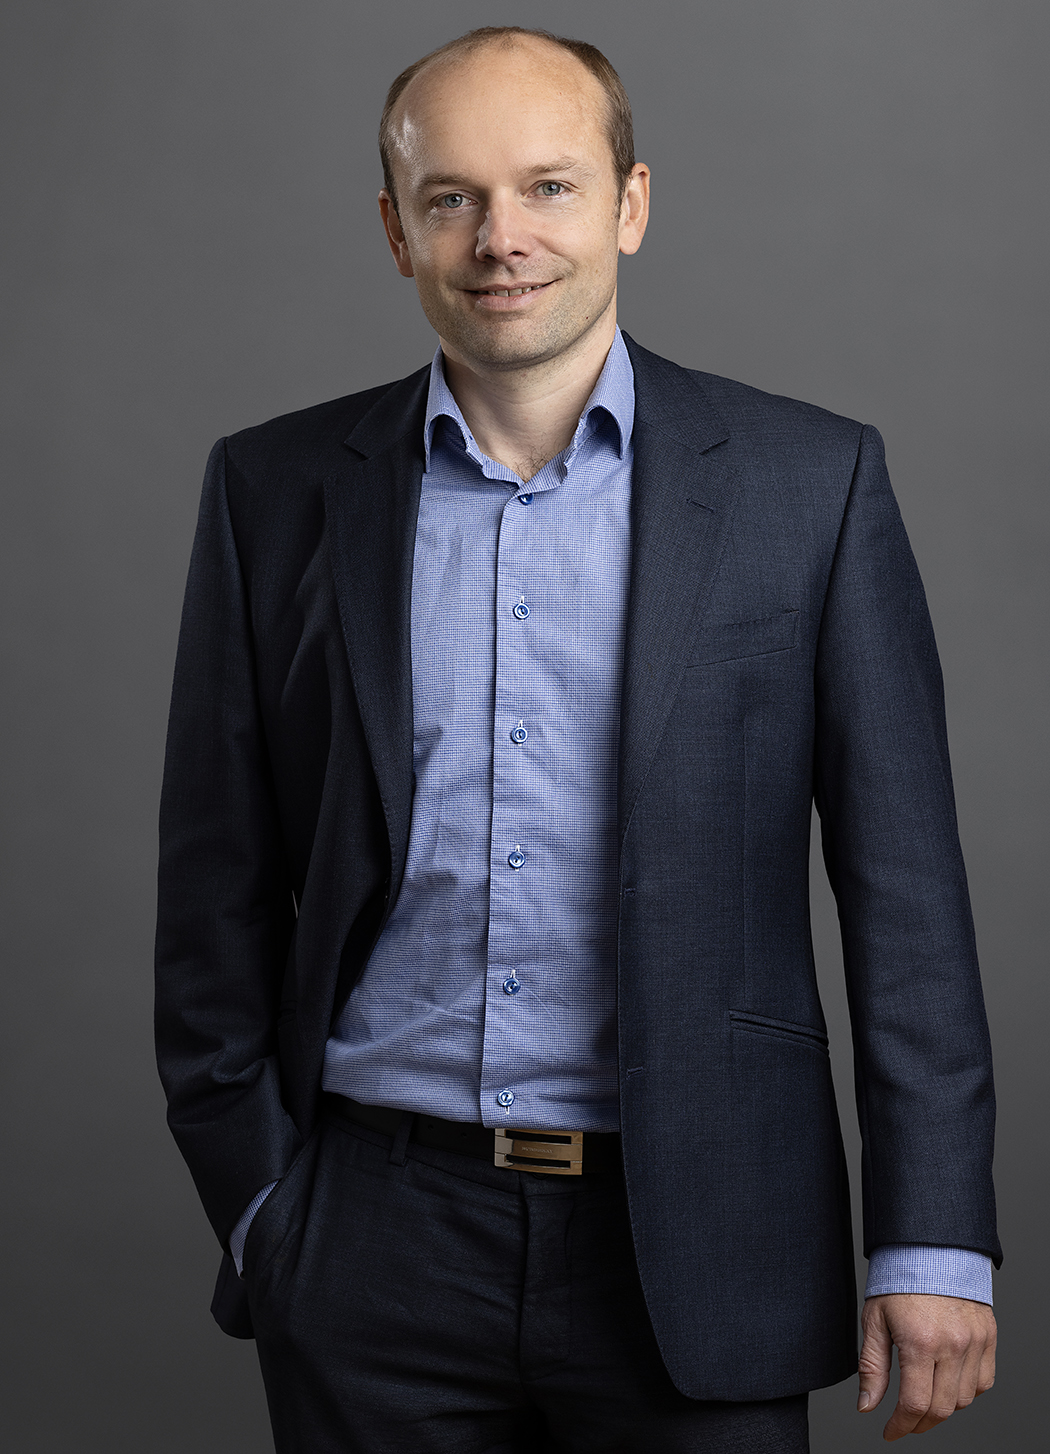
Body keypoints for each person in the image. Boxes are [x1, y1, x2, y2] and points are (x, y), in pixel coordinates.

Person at [155, 26, 1000, 1454]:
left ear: (630, 203)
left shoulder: (811, 482)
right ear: (396, 231)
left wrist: (933, 1236)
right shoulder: (274, 490)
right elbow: (212, 888)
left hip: (706, 1230)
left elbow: (904, 891)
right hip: (369, 1241)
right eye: (452, 199)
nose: (502, 239)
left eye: (548, 187)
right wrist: (262, 1208)